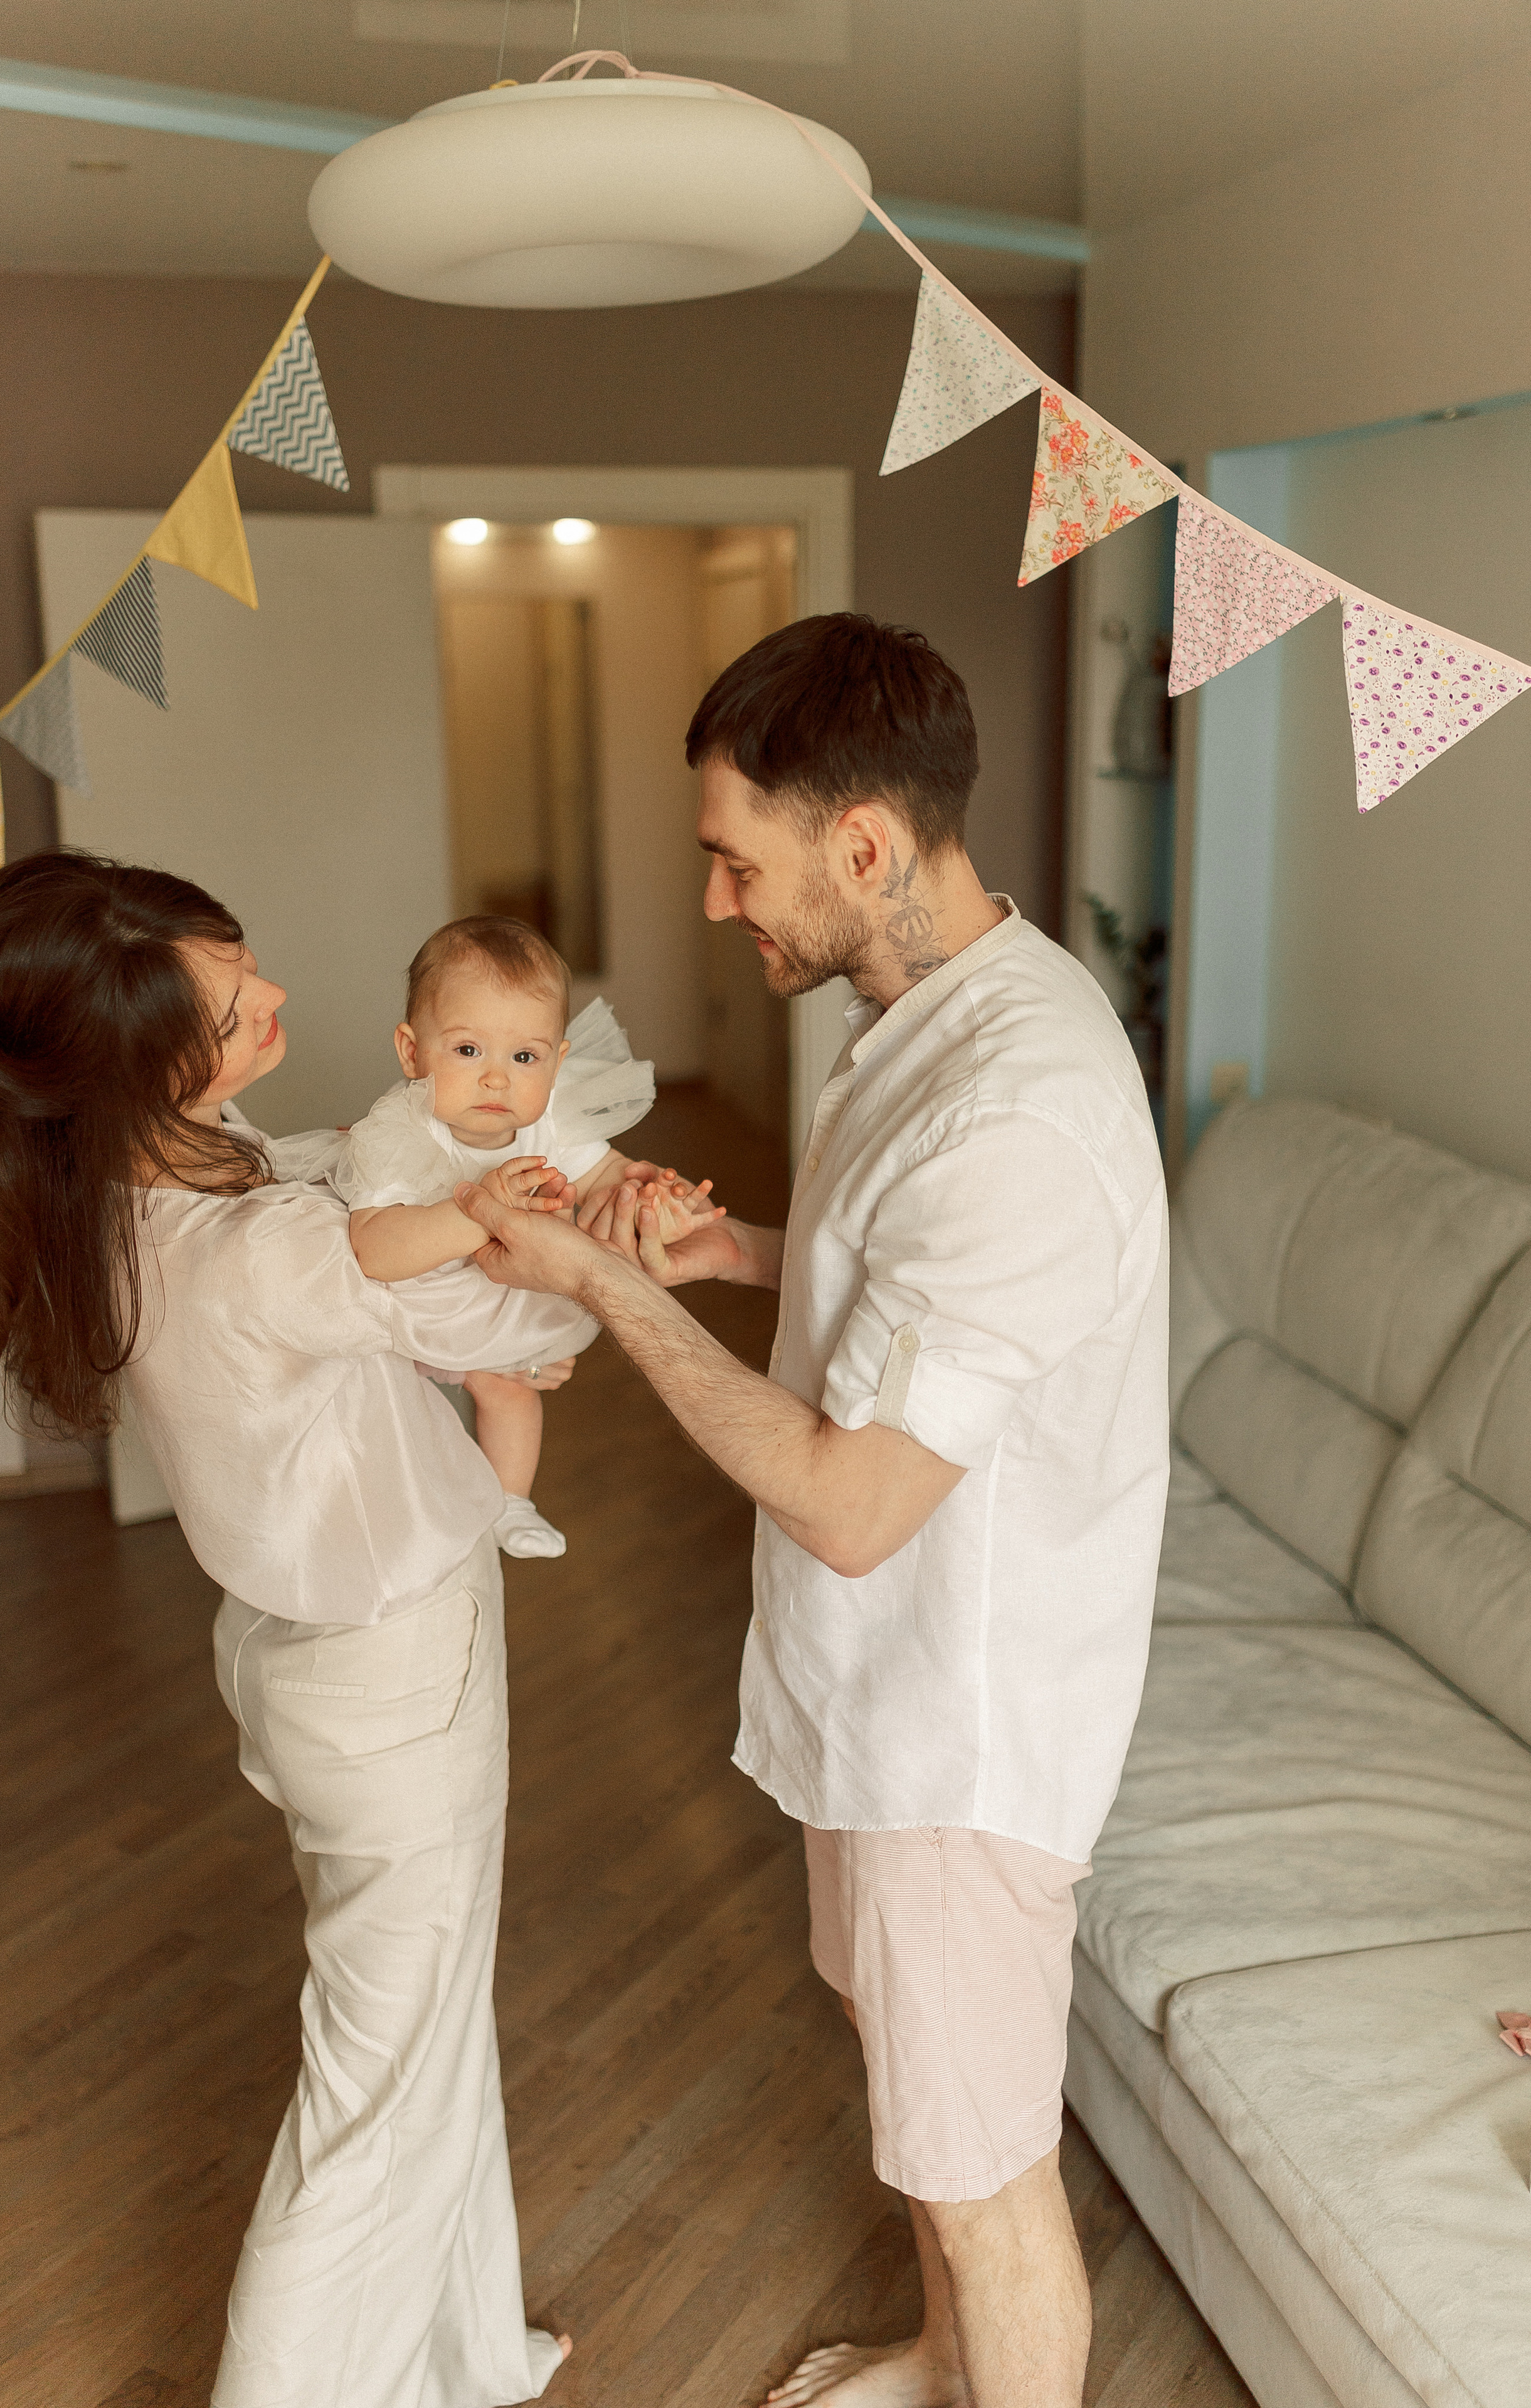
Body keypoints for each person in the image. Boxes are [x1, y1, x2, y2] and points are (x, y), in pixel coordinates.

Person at [454, 615, 1171, 2408]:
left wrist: (620, 1296)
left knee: (986, 2172)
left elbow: (856, 1507)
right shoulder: (925, 1005)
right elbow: (903, 1288)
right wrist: (736, 1253)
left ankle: (982, 2349)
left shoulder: (1020, 1099)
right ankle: (943, 2360)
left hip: (964, 1730)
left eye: (734, 860)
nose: (713, 902)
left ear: (862, 845)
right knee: (918, 2101)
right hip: (882, 1698)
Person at [0, 850, 603, 2408]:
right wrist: (511, 1234)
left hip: (310, 1661)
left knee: (425, 2031)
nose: (276, 998)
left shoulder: (144, 1176)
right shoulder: (244, 1246)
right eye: (234, 1005)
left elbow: (344, 1223)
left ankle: (467, 2346)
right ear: (140, 1060)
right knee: (376, 2090)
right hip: (390, 1670)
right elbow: (358, 1250)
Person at [332, 912, 707, 1559]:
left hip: (508, 1308)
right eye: (468, 1050)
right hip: (419, 1311)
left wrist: (653, 1193)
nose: (498, 1078)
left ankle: (510, 1500)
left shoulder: (554, 1122)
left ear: (557, 1064)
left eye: (525, 1056)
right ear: (411, 1050)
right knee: (385, 1414)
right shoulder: (394, 1134)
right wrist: (479, 1211)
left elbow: (606, 1172)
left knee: (506, 1389)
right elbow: (371, 1248)